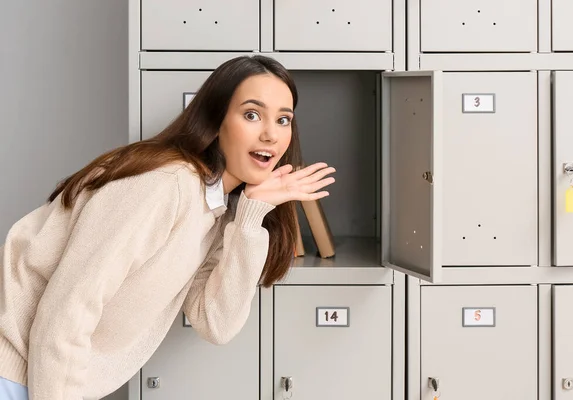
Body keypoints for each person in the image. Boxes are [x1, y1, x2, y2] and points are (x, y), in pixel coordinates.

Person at [0, 55, 335, 399]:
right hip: (15, 371)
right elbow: (66, 312)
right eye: (252, 115)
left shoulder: (218, 210)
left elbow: (215, 323)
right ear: (216, 119)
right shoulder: (165, 186)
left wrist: (251, 215)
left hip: (37, 376)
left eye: (283, 120)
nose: (270, 134)